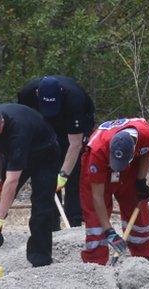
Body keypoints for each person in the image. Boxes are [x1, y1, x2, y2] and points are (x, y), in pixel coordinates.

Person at [0, 103, 60, 268]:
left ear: (2, 124)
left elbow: (12, 181)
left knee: (41, 208)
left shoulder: (19, 130)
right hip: (14, 155)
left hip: (45, 154)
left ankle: (40, 262)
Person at [17, 75, 96, 228]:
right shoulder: (27, 95)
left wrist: (63, 174)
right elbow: (24, 124)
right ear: (38, 94)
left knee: (74, 173)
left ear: (60, 93)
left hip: (73, 128)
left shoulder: (75, 99)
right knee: (46, 175)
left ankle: (74, 222)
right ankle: (51, 223)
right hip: (43, 129)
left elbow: (75, 144)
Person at [79, 118, 149, 265]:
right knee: (96, 222)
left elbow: (148, 152)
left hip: (131, 167)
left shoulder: (148, 136)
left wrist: (141, 181)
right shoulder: (97, 152)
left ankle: (142, 260)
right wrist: (109, 231)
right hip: (101, 164)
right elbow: (97, 196)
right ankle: (95, 266)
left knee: (136, 205)